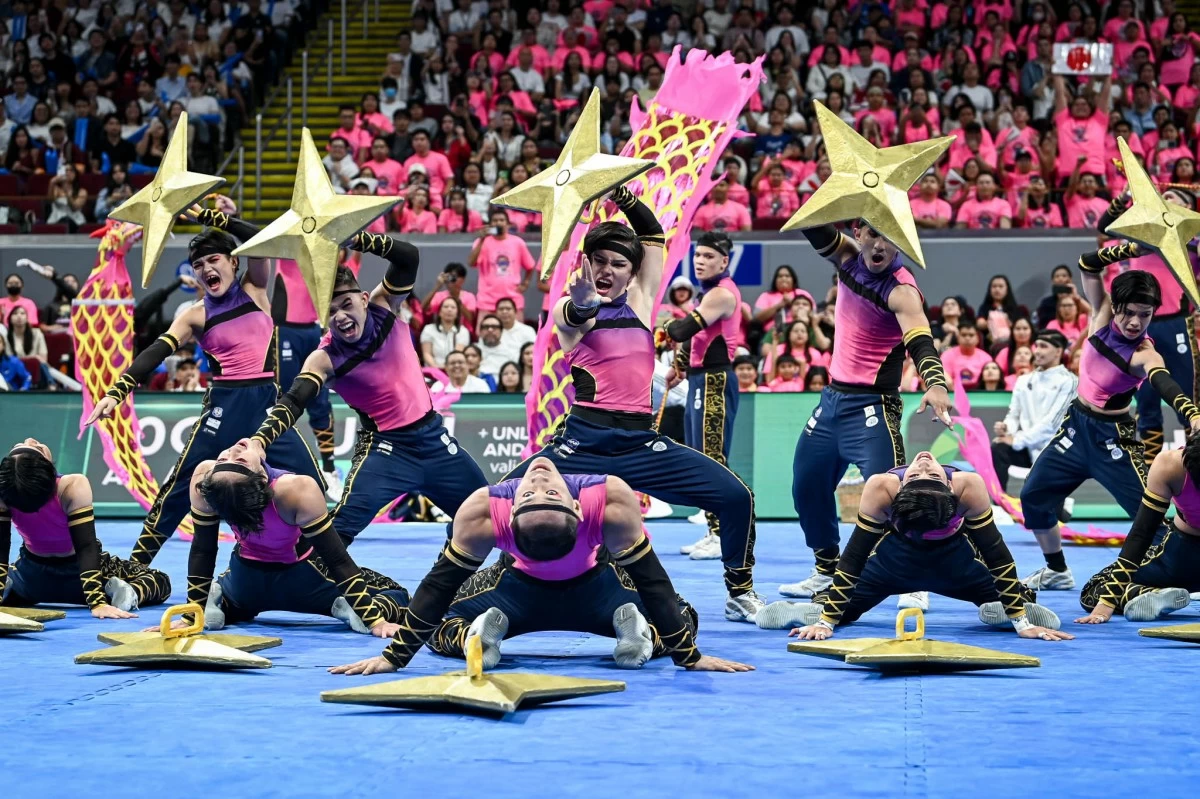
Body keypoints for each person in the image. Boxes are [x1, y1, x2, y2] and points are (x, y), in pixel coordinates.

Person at [501, 187, 765, 623]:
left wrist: (619, 191)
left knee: (736, 496)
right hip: (582, 445)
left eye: (618, 263)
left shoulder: (642, 303)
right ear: (585, 264)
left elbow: (653, 234)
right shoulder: (574, 307)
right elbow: (575, 313)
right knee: (503, 508)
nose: (606, 270)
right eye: (598, 260)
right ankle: (494, 593)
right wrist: (584, 299)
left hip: (640, 444)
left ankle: (739, 593)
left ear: (631, 273)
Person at [329, 460, 753, 675]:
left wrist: (396, 656)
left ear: (575, 506)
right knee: (684, 616)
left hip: (515, 595)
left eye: (544, 491)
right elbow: (653, 585)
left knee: (445, 624)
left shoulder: (484, 508)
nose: (537, 480)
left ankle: (479, 637)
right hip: (600, 593)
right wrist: (686, 655)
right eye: (535, 492)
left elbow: (439, 588)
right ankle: (641, 638)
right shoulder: (611, 497)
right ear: (509, 516)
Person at [86, 203, 326, 566]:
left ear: (234, 261)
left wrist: (217, 219)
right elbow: (156, 350)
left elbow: (261, 243)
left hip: (266, 409)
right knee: (179, 491)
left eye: (214, 259)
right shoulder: (195, 314)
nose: (206, 269)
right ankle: (135, 567)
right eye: (198, 265)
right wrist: (116, 392)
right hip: (222, 408)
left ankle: (324, 567)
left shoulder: (256, 288)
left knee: (313, 484)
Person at [247, 234, 488, 545]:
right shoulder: (324, 358)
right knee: (337, 533)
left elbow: (408, 257)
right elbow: (292, 402)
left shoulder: (384, 307)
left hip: (434, 441)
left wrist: (359, 239)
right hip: (385, 451)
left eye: (346, 304)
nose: (341, 317)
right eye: (331, 312)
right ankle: (278, 581)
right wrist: (258, 442)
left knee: (488, 515)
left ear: (363, 297)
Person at [782, 220, 953, 608]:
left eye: (890, 238)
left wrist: (936, 384)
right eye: (873, 234)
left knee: (894, 495)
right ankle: (827, 569)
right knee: (806, 487)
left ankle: (911, 579)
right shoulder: (846, 257)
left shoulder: (903, 290)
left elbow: (921, 341)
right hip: (831, 402)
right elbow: (811, 223)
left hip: (873, 407)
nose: (879, 245)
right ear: (858, 234)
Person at [1020, 258, 1200, 592]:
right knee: (1033, 496)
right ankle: (1057, 570)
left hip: (1113, 440)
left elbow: (1162, 381)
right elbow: (1088, 265)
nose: (1135, 323)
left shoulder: (1145, 353)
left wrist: (1190, 411)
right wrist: (1126, 246)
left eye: (1144, 315)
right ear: (1116, 306)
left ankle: (1166, 579)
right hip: (1075, 428)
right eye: (1129, 312)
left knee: (1151, 518)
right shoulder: (1100, 313)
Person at [759, 452, 1071, 643]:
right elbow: (853, 557)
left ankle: (1001, 610)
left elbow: (997, 555)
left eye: (932, 474)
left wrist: (1022, 623)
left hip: (954, 561)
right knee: (843, 610)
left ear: (950, 488)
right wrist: (826, 624)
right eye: (918, 474)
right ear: (901, 489)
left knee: (841, 609)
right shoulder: (881, 487)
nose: (922, 463)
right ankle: (812, 613)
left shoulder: (969, 486)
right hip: (898, 559)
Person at [180, 439, 409, 635]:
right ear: (260, 478)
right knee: (395, 593)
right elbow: (336, 558)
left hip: (243, 583)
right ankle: (347, 607)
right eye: (237, 460)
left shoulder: (205, 480)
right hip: (305, 580)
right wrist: (375, 621)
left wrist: (191, 616)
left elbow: (204, 550)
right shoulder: (296, 489)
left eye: (224, 459)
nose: (234, 450)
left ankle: (215, 602)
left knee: (235, 596)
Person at [0, 439, 171, 615]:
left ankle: (6, 588)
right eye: (35, 448)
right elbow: (86, 547)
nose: (31, 440)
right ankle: (130, 592)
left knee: (15, 579)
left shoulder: (4, 493)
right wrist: (97, 603)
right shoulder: (72, 486)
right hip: (80, 579)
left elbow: (1, 549)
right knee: (160, 581)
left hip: (30, 578)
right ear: (46, 469)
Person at [1096, 191, 1197, 462]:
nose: (1165, 200)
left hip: (1175, 325)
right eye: (1163, 196)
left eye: (1173, 198)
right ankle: (1150, 472)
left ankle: (1195, 465)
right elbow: (1103, 226)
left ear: (1187, 208)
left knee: (1187, 399)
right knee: (1147, 402)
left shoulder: (1191, 242)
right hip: (1140, 328)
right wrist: (1125, 196)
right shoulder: (1139, 234)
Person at [661, 233, 744, 560]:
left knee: (714, 460)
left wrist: (660, 325)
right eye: (698, 255)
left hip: (716, 381)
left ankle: (725, 533)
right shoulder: (708, 293)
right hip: (699, 379)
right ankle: (713, 530)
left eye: (709, 256)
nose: (700, 261)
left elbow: (683, 331)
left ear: (724, 262)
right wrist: (679, 365)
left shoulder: (722, 294)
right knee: (702, 459)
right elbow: (697, 340)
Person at [1077, 432, 1200, 624]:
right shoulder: (1171, 465)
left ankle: (1151, 594)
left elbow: (1142, 533)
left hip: (1179, 558)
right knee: (1095, 590)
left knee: (1094, 589)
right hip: (1181, 557)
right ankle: (1155, 594)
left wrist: (1108, 602)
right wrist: (1107, 602)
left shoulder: (1170, 464)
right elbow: (1142, 533)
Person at [271, 254, 341, 498]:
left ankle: (330, 468)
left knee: (320, 400)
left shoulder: (330, 256)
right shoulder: (288, 253)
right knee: (283, 399)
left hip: (314, 330)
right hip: (286, 331)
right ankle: (274, 466)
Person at [992, 330, 1078, 494]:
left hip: (1055, 448)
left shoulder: (1070, 382)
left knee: (1048, 513)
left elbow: (1053, 424)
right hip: (1026, 445)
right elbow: (1014, 414)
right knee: (999, 447)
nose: (1037, 351)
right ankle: (999, 502)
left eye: (1043, 346)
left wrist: (1017, 440)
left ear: (1058, 351)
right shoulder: (1023, 380)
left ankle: (1060, 506)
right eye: (1036, 345)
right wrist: (1006, 428)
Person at [468, 209, 536, 314]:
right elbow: (471, 263)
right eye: (495, 220)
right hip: (487, 300)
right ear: (490, 224)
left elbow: (530, 266)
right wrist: (482, 240)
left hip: (513, 300)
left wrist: (525, 283)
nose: (498, 223)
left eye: (501, 220)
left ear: (508, 224)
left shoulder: (518, 242)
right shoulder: (480, 242)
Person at [940, 320, 993, 389]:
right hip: (953, 393)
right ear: (958, 337)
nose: (967, 338)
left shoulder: (986, 358)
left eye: (971, 335)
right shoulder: (947, 355)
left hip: (980, 394)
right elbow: (944, 379)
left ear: (978, 339)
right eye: (964, 335)